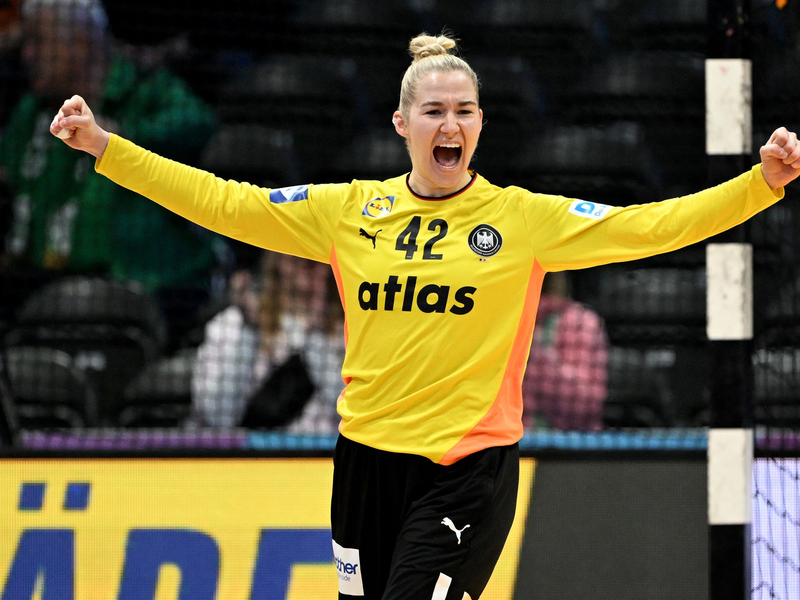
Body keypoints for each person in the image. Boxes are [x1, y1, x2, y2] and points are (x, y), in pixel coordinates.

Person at [50, 31, 798, 599]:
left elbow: (651, 225)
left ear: (479, 125)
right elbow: (223, 201)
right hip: (365, 465)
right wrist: (105, 148)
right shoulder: (350, 211)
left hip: (465, 471)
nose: (452, 124)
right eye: (435, 111)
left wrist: (758, 186)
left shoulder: (519, 219)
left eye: (465, 111)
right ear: (403, 122)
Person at [0, 0, 221, 335]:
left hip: (147, 293)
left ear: (79, 43)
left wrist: (123, 140)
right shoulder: (31, 113)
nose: (27, 55)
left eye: (39, 42)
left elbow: (200, 125)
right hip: (40, 289)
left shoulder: (147, 92)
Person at [190, 252, 345, 433]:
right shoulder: (233, 324)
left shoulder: (351, 328)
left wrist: (315, 338)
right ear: (276, 256)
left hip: (323, 454)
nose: (305, 259)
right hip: (251, 455)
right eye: (297, 253)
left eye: (312, 259)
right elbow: (217, 415)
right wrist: (250, 326)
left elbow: (354, 413)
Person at [522, 271, 609, 431]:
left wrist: (537, 352)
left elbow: (585, 404)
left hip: (571, 445)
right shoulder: (508, 322)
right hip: (512, 441)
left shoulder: (581, 322)